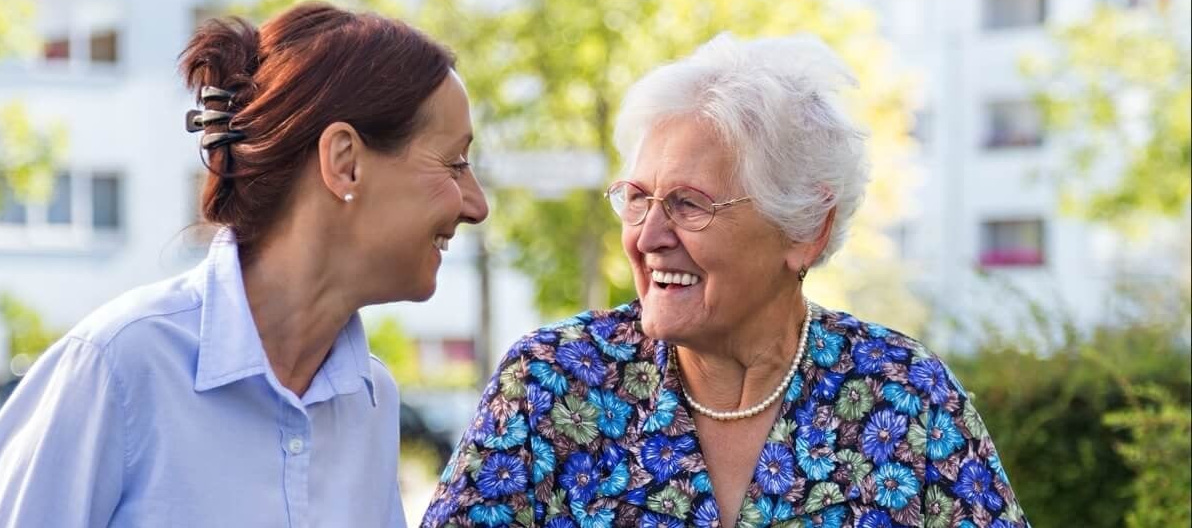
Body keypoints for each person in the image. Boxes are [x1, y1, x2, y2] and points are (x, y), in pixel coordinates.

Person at [422, 34, 1028, 527]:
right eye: (637, 199)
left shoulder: (905, 395)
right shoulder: (551, 385)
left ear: (806, 230)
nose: (647, 235)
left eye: (688, 204)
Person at [0, 1, 489, 527]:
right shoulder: (116, 367)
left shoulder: (369, 403)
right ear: (345, 161)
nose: (476, 205)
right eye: (455, 163)